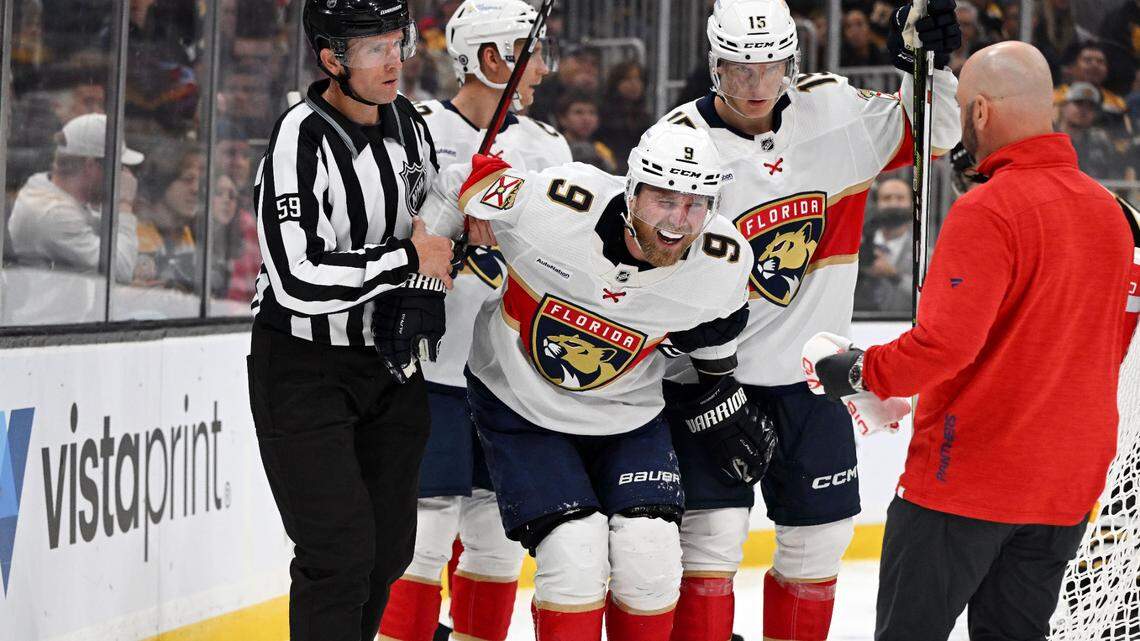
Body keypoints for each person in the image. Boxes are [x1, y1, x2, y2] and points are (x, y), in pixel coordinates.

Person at [654, 1, 962, 640]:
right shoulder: (676, 147)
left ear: (793, 62)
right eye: (740, 67)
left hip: (815, 381)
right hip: (711, 382)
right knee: (709, 545)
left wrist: (925, 67)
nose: (757, 83)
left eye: (771, 66)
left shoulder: (835, 112)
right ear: (714, 63)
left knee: (819, 544)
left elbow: (938, 131)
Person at [812, 41, 1137, 641]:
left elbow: (944, 348)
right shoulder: (1112, 213)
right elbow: (1111, 342)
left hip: (969, 476)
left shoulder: (988, 210)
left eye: (961, 105)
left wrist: (858, 372)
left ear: (980, 112)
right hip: (1068, 481)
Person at [420, 122, 774, 640]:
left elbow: (715, 334)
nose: (679, 221)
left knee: (649, 556)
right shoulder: (554, 205)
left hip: (630, 414)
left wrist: (718, 389)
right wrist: (424, 269)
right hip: (519, 403)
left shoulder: (723, 262)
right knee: (574, 551)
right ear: (632, 190)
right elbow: (458, 183)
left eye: (697, 204)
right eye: (664, 199)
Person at [246, 1, 456, 640]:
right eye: (373, 48)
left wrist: (452, 238)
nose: (394, 60)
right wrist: (405, 260)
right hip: (305, 370)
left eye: (397, 43)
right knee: (337, 555)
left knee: (389, 553)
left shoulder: (409, 125)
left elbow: (430, 218)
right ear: (332, 59)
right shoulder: (298, 139)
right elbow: (298, 277)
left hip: (391, 364)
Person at [377, 2, 571, 640]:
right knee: (424, 531)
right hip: (431, 366)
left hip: (510, 376)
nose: (542, 67)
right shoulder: (416, 131)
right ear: (493, 59)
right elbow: (395, 237)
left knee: (495, 539)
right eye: (531, 51)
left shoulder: (547, 149)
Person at [8, 112, 143, 284]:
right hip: (58, 310)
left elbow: (99, 235)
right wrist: (124, 204)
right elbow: (121, 271)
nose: (125, 175)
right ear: (90, 166)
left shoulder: (45, 186)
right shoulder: (53, 212)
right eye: (119, 166)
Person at [1056, 81, 1126, 179]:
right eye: (1078, 103)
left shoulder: (1101, 141)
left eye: (1090, 106)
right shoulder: (1049, 138)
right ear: (1063, 106)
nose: (1084, 110)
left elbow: (1113, 175)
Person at [596, 61, 655, 173]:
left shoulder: (643, 115)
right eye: (628, 79)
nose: (634, 84)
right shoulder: (602, 112)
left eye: (638, 79)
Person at [556, 92, 619, 173]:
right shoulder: (554, 148)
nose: (586, 119)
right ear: (562, 119)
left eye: (592, 112)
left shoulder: (601, 150)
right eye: (578, 112)